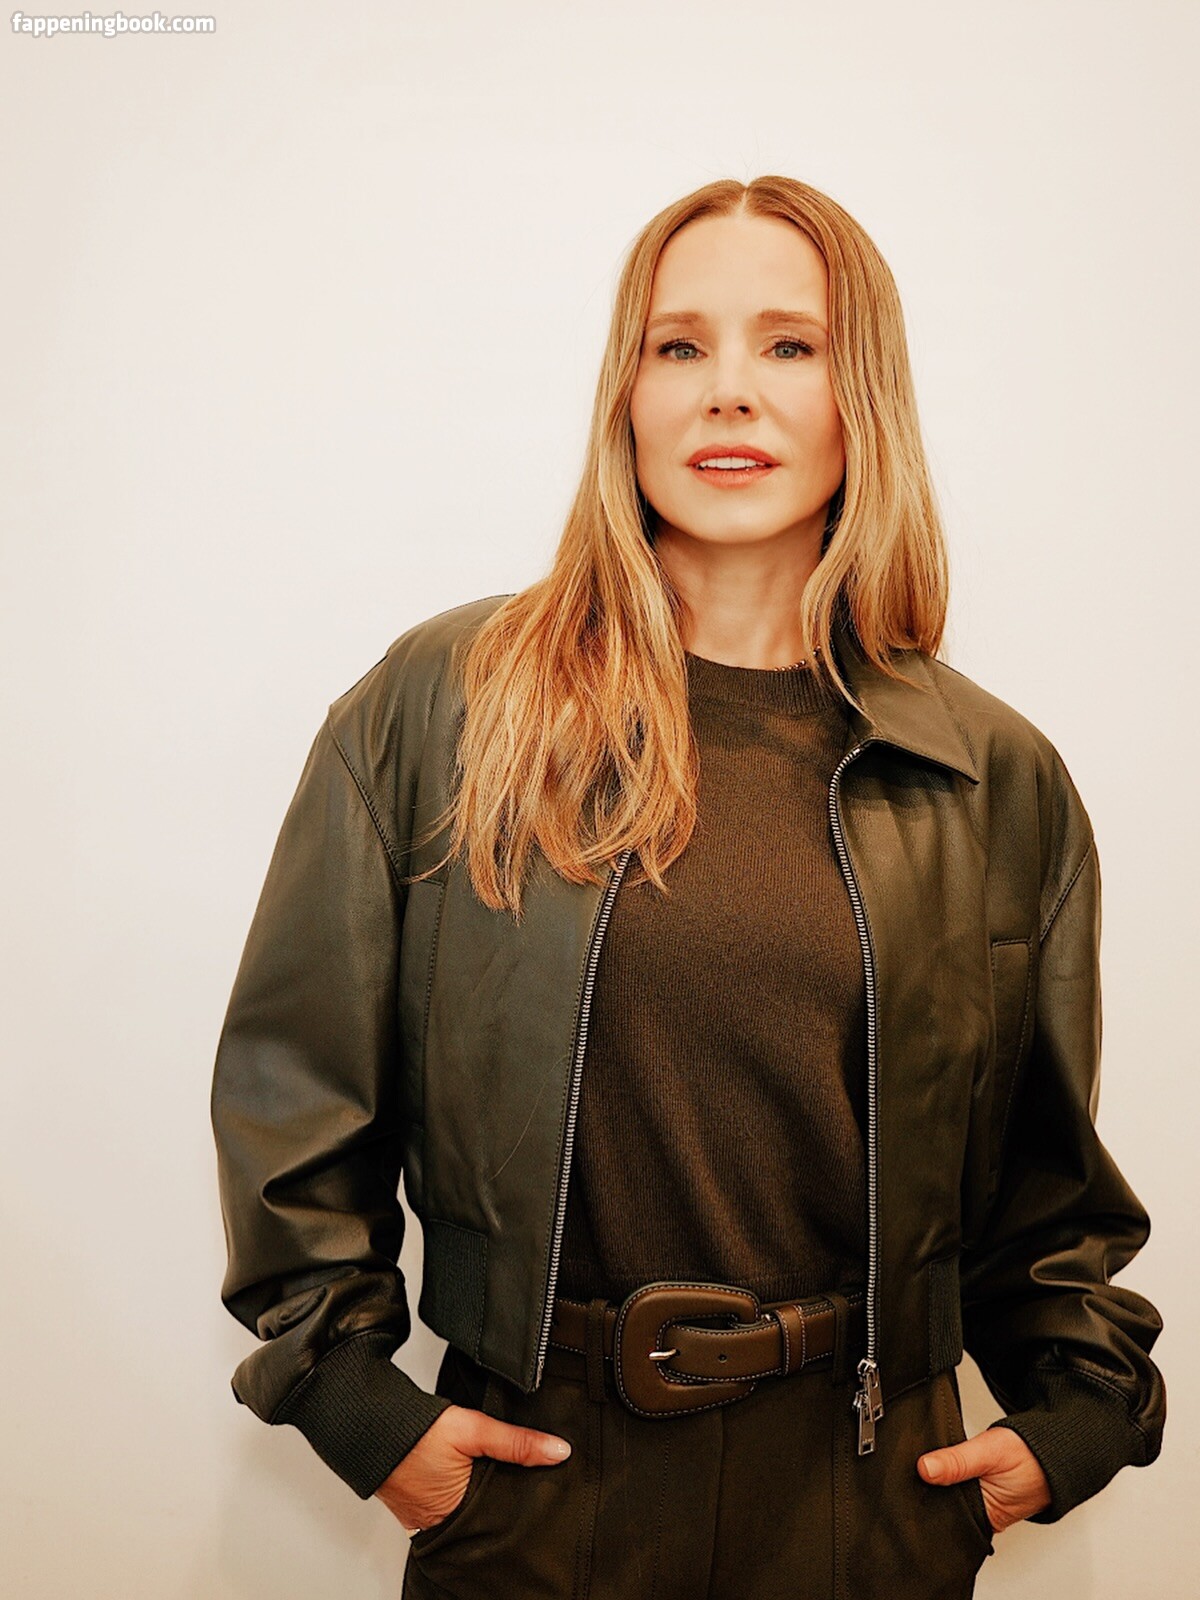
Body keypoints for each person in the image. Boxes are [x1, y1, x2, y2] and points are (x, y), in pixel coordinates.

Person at [210, 176, 1166, 1599]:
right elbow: (295, 1094)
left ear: (863, 397)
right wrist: (358, 1406)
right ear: (628, 394)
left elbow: (1045, 1190)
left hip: (867, 1502)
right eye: (679, 346)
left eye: (789, 344)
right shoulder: (447, 706)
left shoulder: (990, 776)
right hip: (535, 1494)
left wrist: (1081, 1416)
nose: (730, 390)